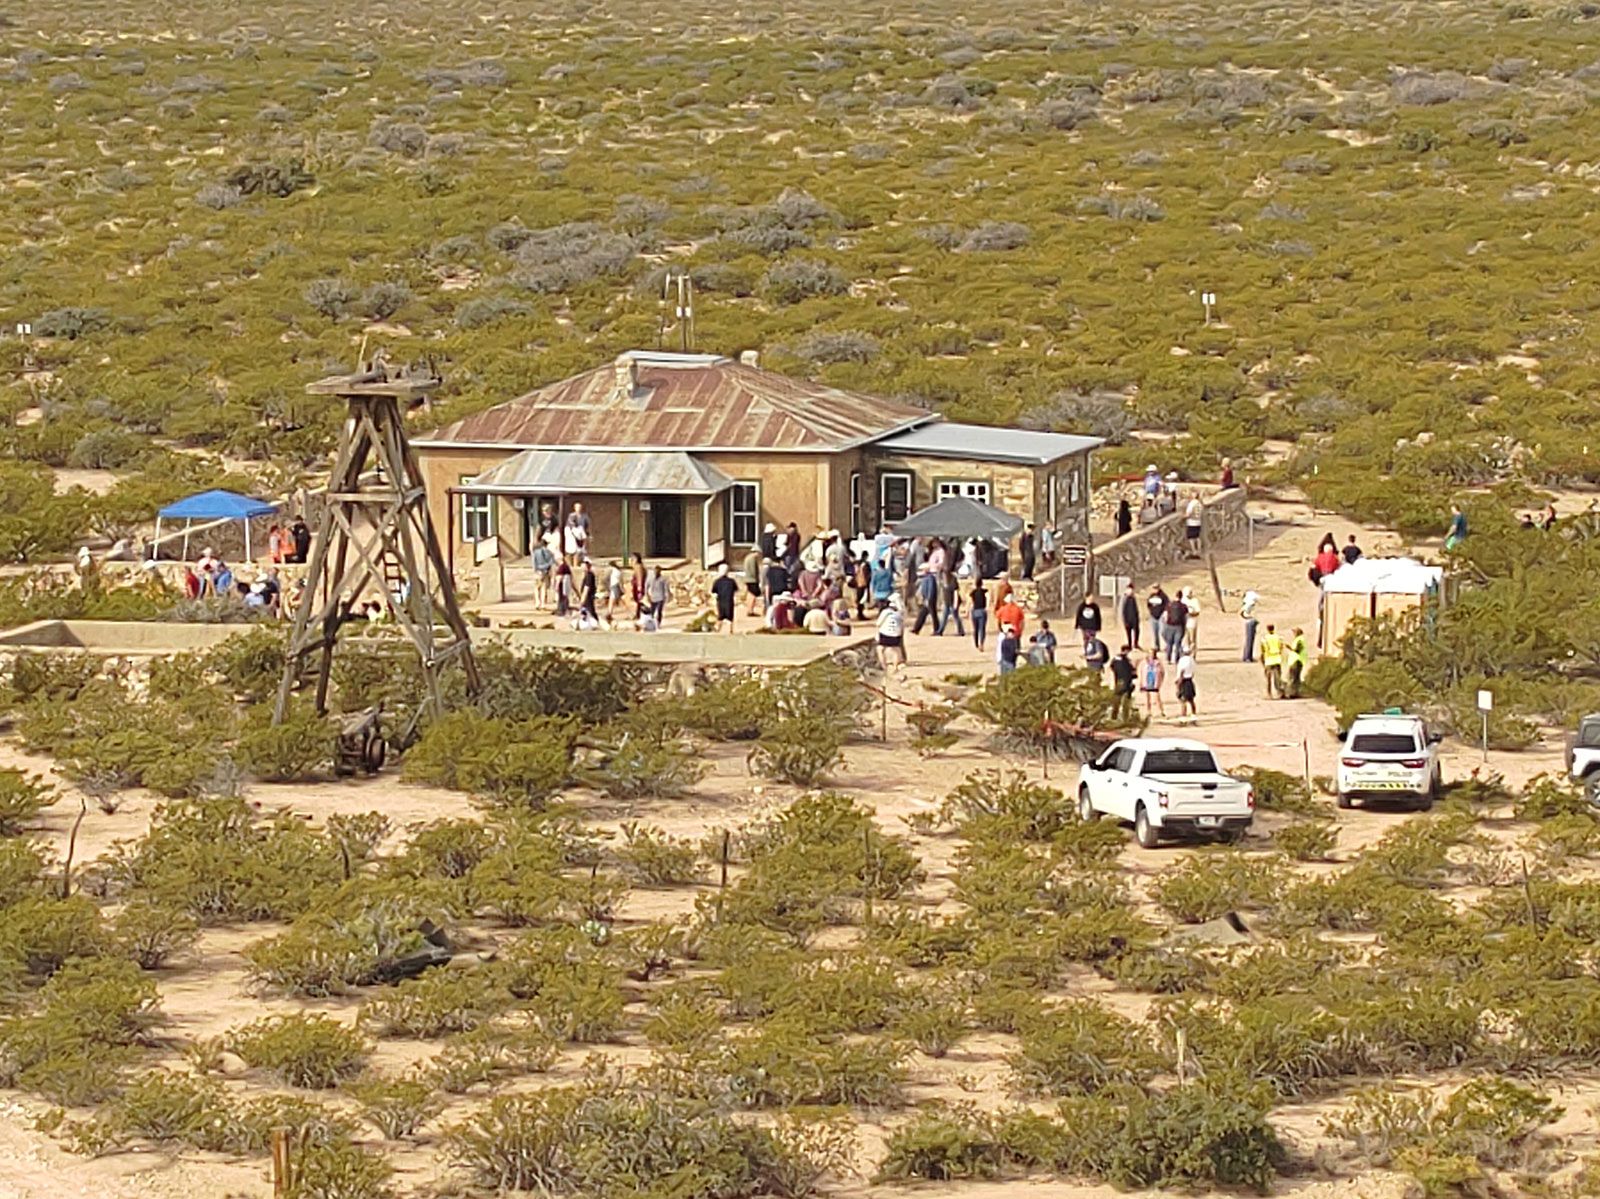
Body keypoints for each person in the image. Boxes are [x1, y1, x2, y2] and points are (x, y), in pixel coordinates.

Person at [911, 539, 943, 635]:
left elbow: (940, 564)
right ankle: (918, 628)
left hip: (932, 583)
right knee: (929, 611)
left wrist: (932, 568)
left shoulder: (940, 552)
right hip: (928, 590)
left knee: (930, 611)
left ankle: (934, 629)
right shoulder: (933, 552)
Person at [877, 597, 906, 673]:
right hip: (896, 634)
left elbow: (878, 623)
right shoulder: (899, 614)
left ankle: (884, 667)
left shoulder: (885, 612)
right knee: (896, 650)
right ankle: (895, 667)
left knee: (880, 649)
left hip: (885, 633)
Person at [937, 562, 965, 637]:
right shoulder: (943, 581)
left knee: (955, 616)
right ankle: (940, 630)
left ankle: (961, 631)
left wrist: (955, 604)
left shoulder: (952, 580)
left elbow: (956, 592)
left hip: (953, 601)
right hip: (947, 601)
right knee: (944, 616)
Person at [1109, 646, 1136, 721]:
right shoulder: (1126, 661)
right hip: (1126, 683)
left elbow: (1112, 667)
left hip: (1119, 681)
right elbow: (1131, 672)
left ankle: (1114, 717)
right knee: (1125, 702)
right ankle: (1125, 718)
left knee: (1117, 701)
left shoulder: (1116, 660)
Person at [711, 562, 738, 633]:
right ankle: (730, 630)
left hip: (720, 601)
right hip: (729, 601)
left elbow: (713, 591)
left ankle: (717, 628)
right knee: (730, 617)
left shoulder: (717, 581)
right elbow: (736, 589)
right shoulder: (731, 581)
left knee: (720, 616)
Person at [1162, 590, 1187, 664]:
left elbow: (1165, 616)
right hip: (1179, 627)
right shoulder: (1183, 606)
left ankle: (1168, 659)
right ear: (1181, 597)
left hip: (1169, 626)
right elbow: (1185, 617)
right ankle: (1177, 659)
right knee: (1178, 644)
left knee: (1169, 643)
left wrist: (1165, 624)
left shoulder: (1169, 605)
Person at [1139, 647, 1166, 717]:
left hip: (1155, 681)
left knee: (1157, 697)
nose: (1151, 655)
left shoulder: (1158, 662)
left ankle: (1161, 710)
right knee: (1147, 697)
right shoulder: (1144, 662)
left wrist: (1161, 681)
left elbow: (1162, 672)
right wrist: (1141, 682)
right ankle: (1148, 711)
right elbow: (1140, 672)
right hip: (1146, 681)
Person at [1259, 623, 1283, 698]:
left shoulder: (1264, 639)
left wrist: (1262, 659)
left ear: (1267, 629)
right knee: (1278, 678)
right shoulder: (1278, 638)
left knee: (1268, 678)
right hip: (1277, 659)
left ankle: (1269, 694)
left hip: (1269, 659)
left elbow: (1262, 650)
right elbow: (1281, 647)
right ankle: (1280, 693)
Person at [1175, 648, 1198, 722]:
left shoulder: (1182, 660)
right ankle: (1193, 715)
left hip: (1184, 680)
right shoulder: (1192, 660)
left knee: (1183, 700)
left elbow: (1181, 671)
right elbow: (1193, 671)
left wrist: (1178, 683)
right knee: (1191, 700)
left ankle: (1183, 717)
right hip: (1190, 680)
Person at [532, 540, 556, 608]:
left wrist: (535, 570)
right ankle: (543, 603)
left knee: (536, 587)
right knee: (544, 588)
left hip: (538, 571)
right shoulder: (549, 552)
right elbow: (551, 562)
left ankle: (537, 602)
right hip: (545, 571)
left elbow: (534, 562)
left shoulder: (535, 552)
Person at [1286, 626, 1309, 699]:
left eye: (1294, 632)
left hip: (1296, 661)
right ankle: (1296, 692)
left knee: (1292, 677)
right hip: (1298, 660)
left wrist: (1289, 648)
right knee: (1296, 678)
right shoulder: (1300, 639)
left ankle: (1291, 693)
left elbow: (1297, 650)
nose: (1293, 633)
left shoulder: (1299, 640)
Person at [742, 547, 764, 616]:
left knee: (750, 594)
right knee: (753, 595)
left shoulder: (747, 557)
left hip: (747, 578)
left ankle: (749, 609)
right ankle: (750, 610)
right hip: (752, 579)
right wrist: (757, 579)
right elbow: (753, 570)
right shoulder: (752, 559)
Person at [1239, 590, 1259, 662]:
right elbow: (1241, 612)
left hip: (1251, 621)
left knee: (1250, 640)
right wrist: (1248, 617)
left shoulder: (1250, 603)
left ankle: (1248, 656)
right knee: (1249, 640)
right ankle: (1247, 657)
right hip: (1249, 622)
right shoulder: (1249, 604)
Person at [970, 577, 989, 651]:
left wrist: (967, 611)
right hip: (982, 610)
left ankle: (976, 644)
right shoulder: (985, 591)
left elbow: (970, 602)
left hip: (975, 611)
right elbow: (989, 599)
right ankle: (982, 643)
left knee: (975, 629)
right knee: (982, 629)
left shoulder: (972, 593)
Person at [1119, 583, 1140, 649]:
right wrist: (1124, 620)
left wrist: (1137, 617)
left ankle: (1135, 644)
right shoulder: (1124, 598)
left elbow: (1136, 609)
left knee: (1137, 631)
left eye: (1132, 590)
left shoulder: (1133, 598)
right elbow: (1122, 610)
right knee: (1128, 633)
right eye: (1129, 589)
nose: (1131, 591)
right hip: (1127, 619)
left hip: (1134, 619)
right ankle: (1130, 644)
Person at [1183, 494, 1203, 559]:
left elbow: (1188, 514)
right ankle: (1199, 550)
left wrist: (1183, 516)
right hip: (1198, 522)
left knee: (1191, 538)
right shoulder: (1200, 504)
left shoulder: (1192, 504)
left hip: (1192, 522)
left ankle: (1194, 551)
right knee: (1197, 537)